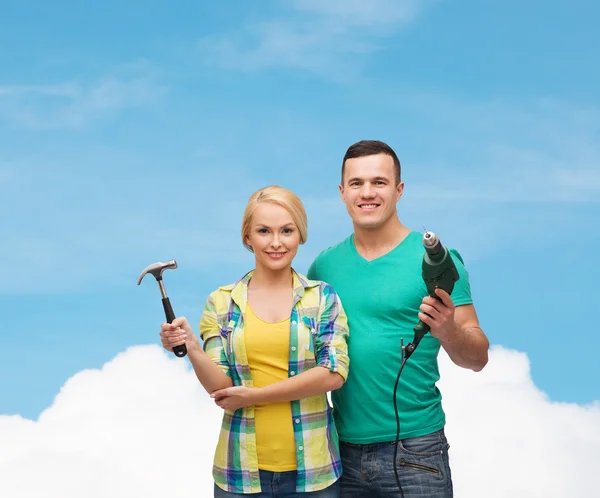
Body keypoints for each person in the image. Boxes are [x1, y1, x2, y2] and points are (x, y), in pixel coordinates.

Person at [306, 140, 490, 498]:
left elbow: (478, 358)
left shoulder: (437, 261)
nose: (367, 193)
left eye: (379, 182)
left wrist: (448, 329)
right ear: (342, 193)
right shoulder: (322, 267)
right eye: (357, 184)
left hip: (417, 451)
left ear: (399, 190)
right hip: (337, 452)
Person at [159, 185, 350, 498]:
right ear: (247, 236)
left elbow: (333, 373)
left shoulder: (322, 298)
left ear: (300, 235)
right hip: (239, 476)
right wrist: (192, 347)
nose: (276, 242)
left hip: (314, 477)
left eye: (286, 231)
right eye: (264, 231)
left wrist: (254, 396)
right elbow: (219, 387)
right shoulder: (221, 303)